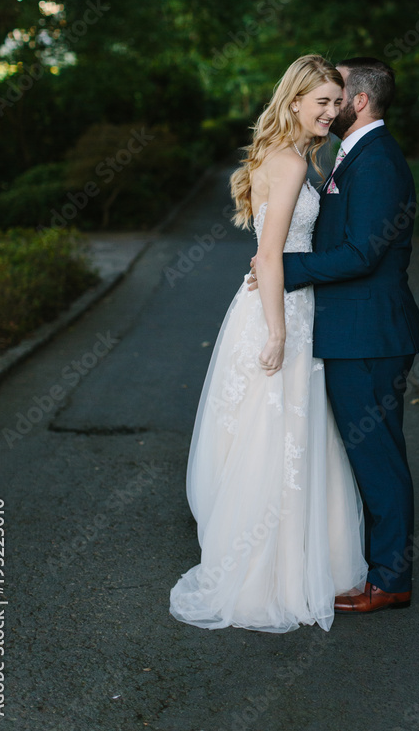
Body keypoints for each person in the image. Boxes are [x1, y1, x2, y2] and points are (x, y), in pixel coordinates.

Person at [169, 55, 368, 634]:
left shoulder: (297, 156)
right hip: (279, 312)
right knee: (274, 430)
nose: (332, 112)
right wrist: (278, 330)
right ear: (295, 101)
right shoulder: (285, 162)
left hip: (284, 302)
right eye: (322, 102)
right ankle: (265, 574)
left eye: (338, 102)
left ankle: (302, 561)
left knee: (292, 432)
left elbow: (269, 252)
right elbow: (274, 253)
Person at [249, 57, 419, 613]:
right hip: (351, 332)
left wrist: (286, 268)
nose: (327, 101)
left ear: (360, 101)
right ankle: (375, 565)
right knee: (365, 453)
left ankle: (390, 579)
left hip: (368, 335)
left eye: (336, 93)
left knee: (377, 455)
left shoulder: (376, 164)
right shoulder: (351, 156)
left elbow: (363, 253)